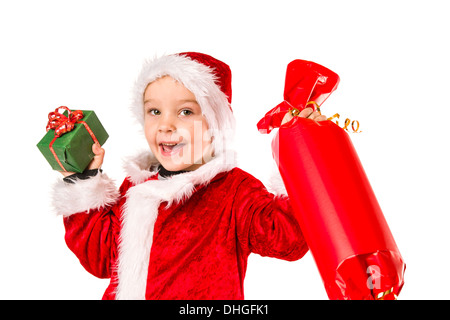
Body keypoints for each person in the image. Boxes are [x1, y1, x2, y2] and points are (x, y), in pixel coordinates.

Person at [52, 52, 326, 300]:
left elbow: (288, 239)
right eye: (154, 111)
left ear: (214, 123)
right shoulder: (137, 185)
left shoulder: (235, 191)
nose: (166, 125)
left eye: (185, 112)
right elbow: (101, 259)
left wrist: (302, 154)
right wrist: (84, 181)